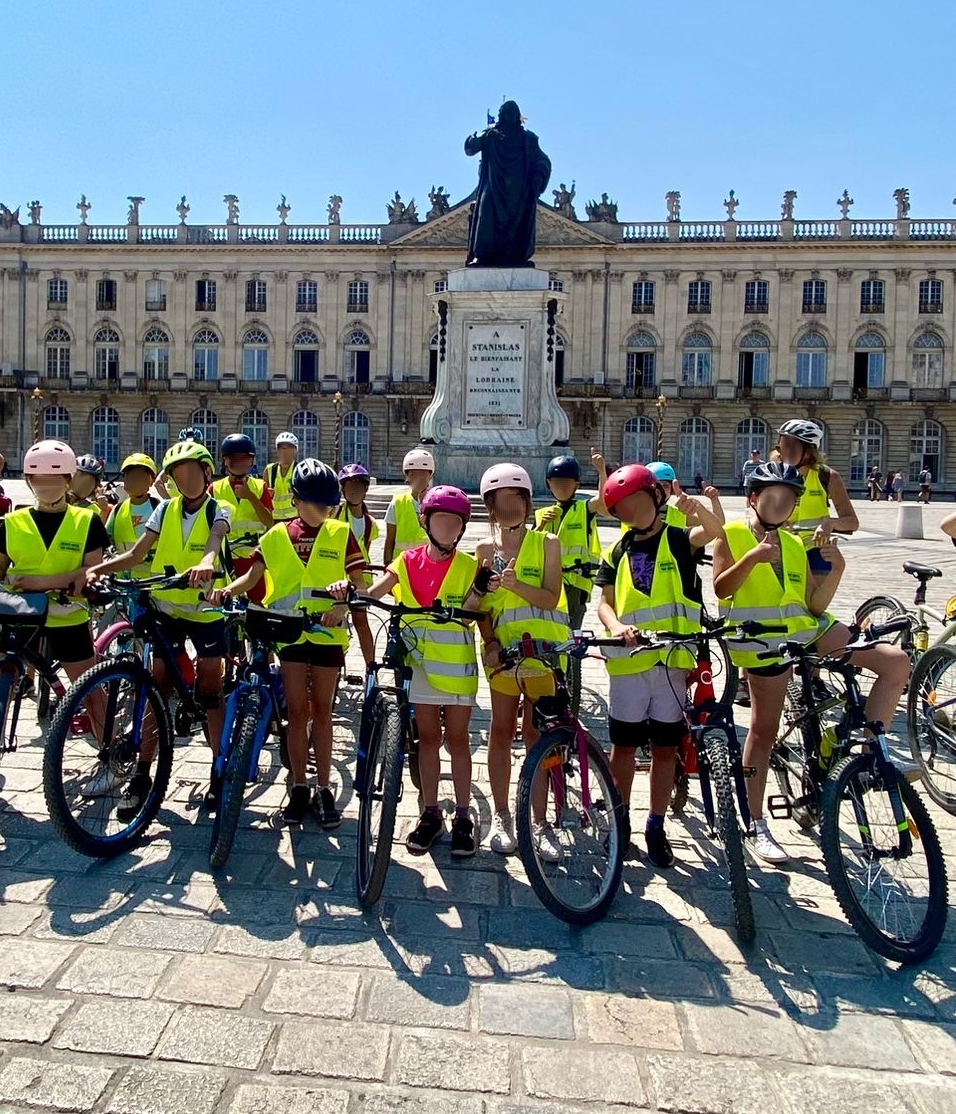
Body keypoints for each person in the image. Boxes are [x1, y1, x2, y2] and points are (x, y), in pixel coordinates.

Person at [713, 462, 909, 864]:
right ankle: (755, 823)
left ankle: (870, 757)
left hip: (805, 629)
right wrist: (751, 558)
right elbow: (721, 587)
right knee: (763, 730)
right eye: (773, 496)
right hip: (760, 640)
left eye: (788, 499)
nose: (781, 504)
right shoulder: (731, 536)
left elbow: (813, 605)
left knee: (895, 663)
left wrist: (837, 569)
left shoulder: (792, 545)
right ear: (754, 499)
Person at [214, 459, 368, 827]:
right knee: (297, 712)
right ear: (296, 500)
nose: (321, 511)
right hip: (288, 632)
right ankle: (300, 784)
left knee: (323, 711)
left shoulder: (341, 532)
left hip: (328, 632)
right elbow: (253, 575)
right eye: (314, 504)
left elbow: (359, 584)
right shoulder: (277, 535)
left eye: (328, 505)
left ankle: (325, 786)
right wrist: (226, 591)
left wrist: (343, 599)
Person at [86, 439, 232, 817]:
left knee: (211, 686)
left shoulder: (220, 508)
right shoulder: (164, 510)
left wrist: (206, 563)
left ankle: (219, 767)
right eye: (177, 474)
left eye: (190, 471)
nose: (184, 479)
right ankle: (142, 773)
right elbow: (136, 554)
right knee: (156, 685)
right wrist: (96, 570)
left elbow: (215, 539)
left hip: (204, 609)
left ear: (205, 472)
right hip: (166, 604)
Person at [596, 464, 723, 867]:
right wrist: (616, 626)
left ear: (655, 498)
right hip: (630, 664)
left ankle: (655, 822)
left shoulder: (679, 540)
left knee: (666, 748)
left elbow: (716, 532)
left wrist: (696, 507)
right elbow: (605, 602)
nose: (632, 512)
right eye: (623, 508)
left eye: (637, 502)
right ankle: (621, 823)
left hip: (671, 663)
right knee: (624, 748)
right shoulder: (616, 550)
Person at [362, 486, 480, 857]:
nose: (447, 528)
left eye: (454, 523)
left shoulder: (468, 567)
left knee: (458, 740)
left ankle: (463, 815)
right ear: (425, 523)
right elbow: (376, 590)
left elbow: (480, 610)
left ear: (461, 529)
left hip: (457, 668)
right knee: (427, 739)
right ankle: (431, 812)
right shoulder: (406, 561)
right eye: (440, 521)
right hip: (421, 667)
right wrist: (348, 591)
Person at [468, 464, 570, 859]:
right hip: (503, 658)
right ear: (491, 508)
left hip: (542, 656)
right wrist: (489, 641)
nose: (509, 508)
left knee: (538, 736)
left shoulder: (547, 542)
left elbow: (550, 597)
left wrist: (516, 585)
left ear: (527, 503)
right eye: (501, 502)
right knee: (500, 731)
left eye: (516, 501)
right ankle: (502, 815)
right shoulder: (484, 550)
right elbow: (478, 609)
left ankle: (541, 821)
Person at [0, 440, 108, 690]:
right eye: (39, 478)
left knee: (90, 693)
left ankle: (107, 730)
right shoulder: (11, 522)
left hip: (67, 616)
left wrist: (39, 583)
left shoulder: (86, 519)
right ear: (29, 480)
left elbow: (93, 570)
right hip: (20, 616)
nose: (46, 484)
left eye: (54, 478)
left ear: (68, 479)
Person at [534, 449, 607, 634]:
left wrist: (601, 472)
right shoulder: (542, 514)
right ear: (549, 484)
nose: (562, 487)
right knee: (550, 631)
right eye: (557, 483)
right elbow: (528, 545)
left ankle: (573, 663)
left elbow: (602, 501)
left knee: (573, 632)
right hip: (546, 582)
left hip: (576, 583)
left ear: (576, 485)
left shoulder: (583, 509)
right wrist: (541, 525)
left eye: (567, 483)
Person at [775, 419, 858, 577]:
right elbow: (752, 511)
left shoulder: (827, 476)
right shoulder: (770, 474)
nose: (781, 452)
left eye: (790, 447)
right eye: (780, 446)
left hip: (816, 550)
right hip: (779, 547)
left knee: (815, 601)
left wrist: (830, 524)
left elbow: (852, 522)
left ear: (808, 451)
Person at [211, 434, 274, 602]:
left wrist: (251, 497)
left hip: (253, 559)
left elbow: (269, 521)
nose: (239, 464)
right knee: (223, 602)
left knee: (257, 604)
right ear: (225, 461)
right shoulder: (214, 489)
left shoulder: (260, 487)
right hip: (225, 560)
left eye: (244, 460)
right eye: (234, 460)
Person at [335, 462, 379, 662]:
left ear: (365, 490)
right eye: (349, 488)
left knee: (361, 623)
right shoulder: (335, 515)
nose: (354, 492)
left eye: (358, 488)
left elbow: (365, 551)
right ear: (343, 490)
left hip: (358, 579)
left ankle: (371, 667)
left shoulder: (370, 522)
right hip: (336, 576)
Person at [104, 454, 159, 579]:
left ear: (151, 481)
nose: (136, 482)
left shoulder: (158, 508)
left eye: (141, 477)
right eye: (131, 477)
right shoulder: (118, 509)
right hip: (122, 579)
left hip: (150, 581)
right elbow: (106, 540)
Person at [382, 448, 433, 565]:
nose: (418, 478)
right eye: (413, 474)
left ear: (430, 476)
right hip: (401, 566)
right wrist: (387, 565)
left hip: (427, 566)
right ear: (407, 477)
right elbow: (389, 539)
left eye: (422, 474)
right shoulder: (398, 502)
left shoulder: (437, 502)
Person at [646, 461, 725, 528]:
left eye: (665, 486)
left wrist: (713, 500)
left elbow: (718, 524)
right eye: (654, 485)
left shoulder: (678, 515)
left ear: (672, 490)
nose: (659, 490)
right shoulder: (633, 515)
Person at [265, 432, 299, 522]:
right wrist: (267, 494)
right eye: (282, 448)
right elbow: (263, 497)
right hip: (274, 519)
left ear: (295, 450)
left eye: (289, 448)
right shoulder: (270, 470)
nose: (285, 451)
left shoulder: (299, 470)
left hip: (294, 518)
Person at [69, 454, 112, 524]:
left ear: (95, 486)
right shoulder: (57, 503)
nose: (83, 485)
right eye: (79, 478)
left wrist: (103, 512)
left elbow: (98, 532)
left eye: (89, 482)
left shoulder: (94, 510)